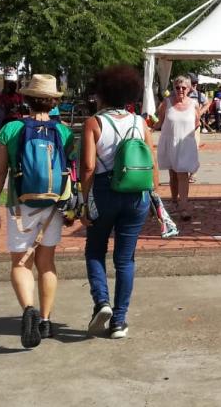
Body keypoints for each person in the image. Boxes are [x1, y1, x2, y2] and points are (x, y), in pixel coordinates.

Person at [0, 74, 72, 349]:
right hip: (54, 204)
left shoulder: (11, 129)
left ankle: (28, 309)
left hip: (19, 204)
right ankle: (45, 321)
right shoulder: (64, 132)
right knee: (47, 263)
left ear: (26, 99)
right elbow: (70, 170)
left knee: (21, 262)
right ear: (53, 101)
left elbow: (0, 171)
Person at [80, 65, 153, 340]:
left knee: (95, 250)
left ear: (104, 93)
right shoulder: (140, 122)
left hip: (103, 190)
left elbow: (87, 167)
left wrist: (84, 201)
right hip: (137, 193)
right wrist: (153, 195)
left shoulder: (94, 123)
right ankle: (119, 321)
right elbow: (151, 160)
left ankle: (102, 302)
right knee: (125, 258)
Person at [155, 76, 203, 222]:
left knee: (182, 174)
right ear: (174, 88)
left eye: (183, 88)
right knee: (173, 174)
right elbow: (160, 123)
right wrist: (147, 125)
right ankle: (174, 201)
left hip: (185, 143)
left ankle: (183, 207)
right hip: (169, 142)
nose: (180, 90)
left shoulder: (194, 104)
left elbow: (197, 122)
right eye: (177, 87)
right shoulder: (167, 102)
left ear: (189, 89)